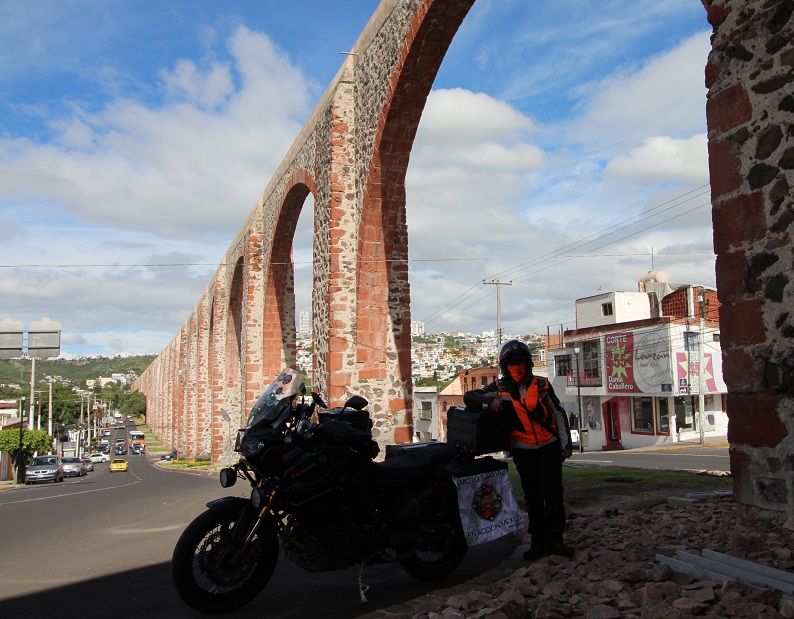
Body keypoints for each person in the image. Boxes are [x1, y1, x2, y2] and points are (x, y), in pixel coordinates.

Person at [463, 338, 574, 560]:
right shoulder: (499, 389)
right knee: (532, 496)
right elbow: (469, 398)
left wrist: (565, 443)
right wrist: (489, 404)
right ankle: (537, 542)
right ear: (504, 367)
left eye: (520, 361)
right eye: (511, 363)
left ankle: (555, 542)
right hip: (523, 451)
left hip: (549, 448)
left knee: (553, 495)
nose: (517, 367)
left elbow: (559, 415)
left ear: (529, 363)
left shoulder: (542, 385)